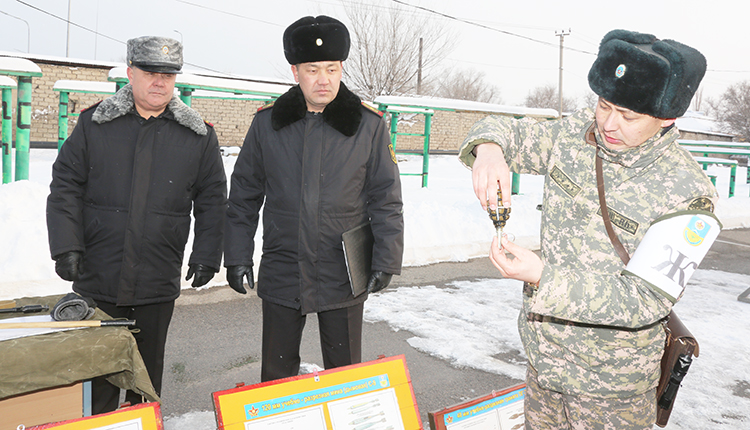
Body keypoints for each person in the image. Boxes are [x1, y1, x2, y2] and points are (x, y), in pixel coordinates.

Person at [459, 30, 718, 429]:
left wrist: (544, 276)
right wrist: (490, 151)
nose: (608, 123)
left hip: (612, 390)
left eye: (628, 115)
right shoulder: (575, 136)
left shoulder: (689, 195)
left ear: (666, 118)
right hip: (545, 365)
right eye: (603, 104)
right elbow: (503, 129)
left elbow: (646, 299)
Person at [46, 36, 227, 413]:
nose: (159, 82)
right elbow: (65, 187)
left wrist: (207, 255)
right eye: (149, 73)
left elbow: (212, 202)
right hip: (100, 273)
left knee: (146, 376)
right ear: (130, 73)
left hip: (157, 277)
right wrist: (66, 246)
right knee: (99, 375)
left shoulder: (198, 136)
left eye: (168, 74)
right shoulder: (95, 124)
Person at [224, 15, 404, 382]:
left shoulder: (368, 126)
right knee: (276, 376)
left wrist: (386, 259)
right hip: (283, 266)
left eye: (332, 69)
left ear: (341, 69)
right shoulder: (268, 124)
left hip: (343, 270)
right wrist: (237, 256)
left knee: (345, 376)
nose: (323, 79)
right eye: (312, 69)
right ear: (295, 72)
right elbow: (243, 197)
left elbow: (386, 198)